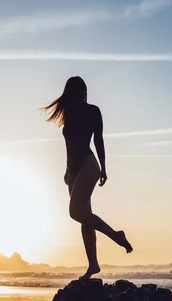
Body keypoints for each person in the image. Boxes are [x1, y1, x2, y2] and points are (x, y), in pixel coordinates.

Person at [41, 76, 133, 280]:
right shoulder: (69, 114)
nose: (81, 96)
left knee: (75, 212)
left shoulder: (92, 110)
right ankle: (93, 265)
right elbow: (69, 145)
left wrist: (104, 167)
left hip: (89, 164)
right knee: (85, 218)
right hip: (73, 170)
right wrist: (67, 170)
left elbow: (98, 138)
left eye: (82, 92)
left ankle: (116, 235)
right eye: (77, 92)